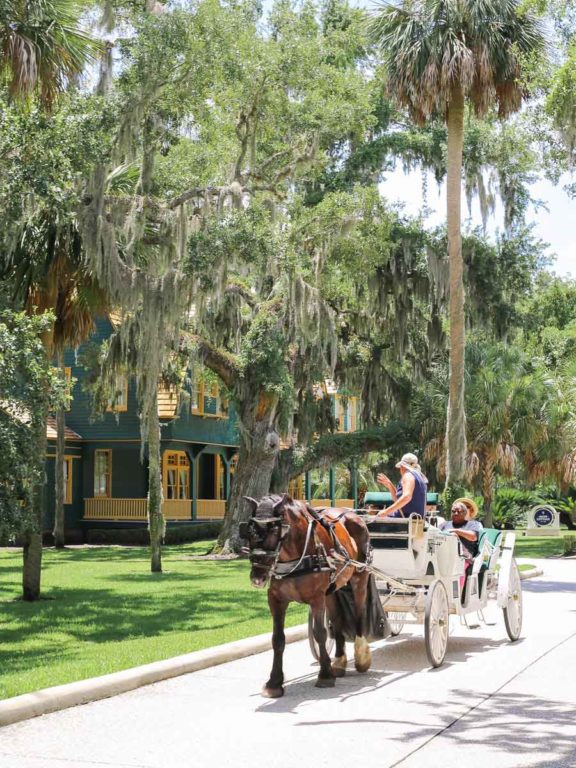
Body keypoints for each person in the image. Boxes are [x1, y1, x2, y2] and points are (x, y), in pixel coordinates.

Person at [374, 452, 427, 519]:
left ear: (402, 467)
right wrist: (390, 485)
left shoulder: (408, 475)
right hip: (415, 521)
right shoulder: (419, 477)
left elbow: (406, 497)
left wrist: (386, 512)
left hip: (405, 522)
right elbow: (400, 500)